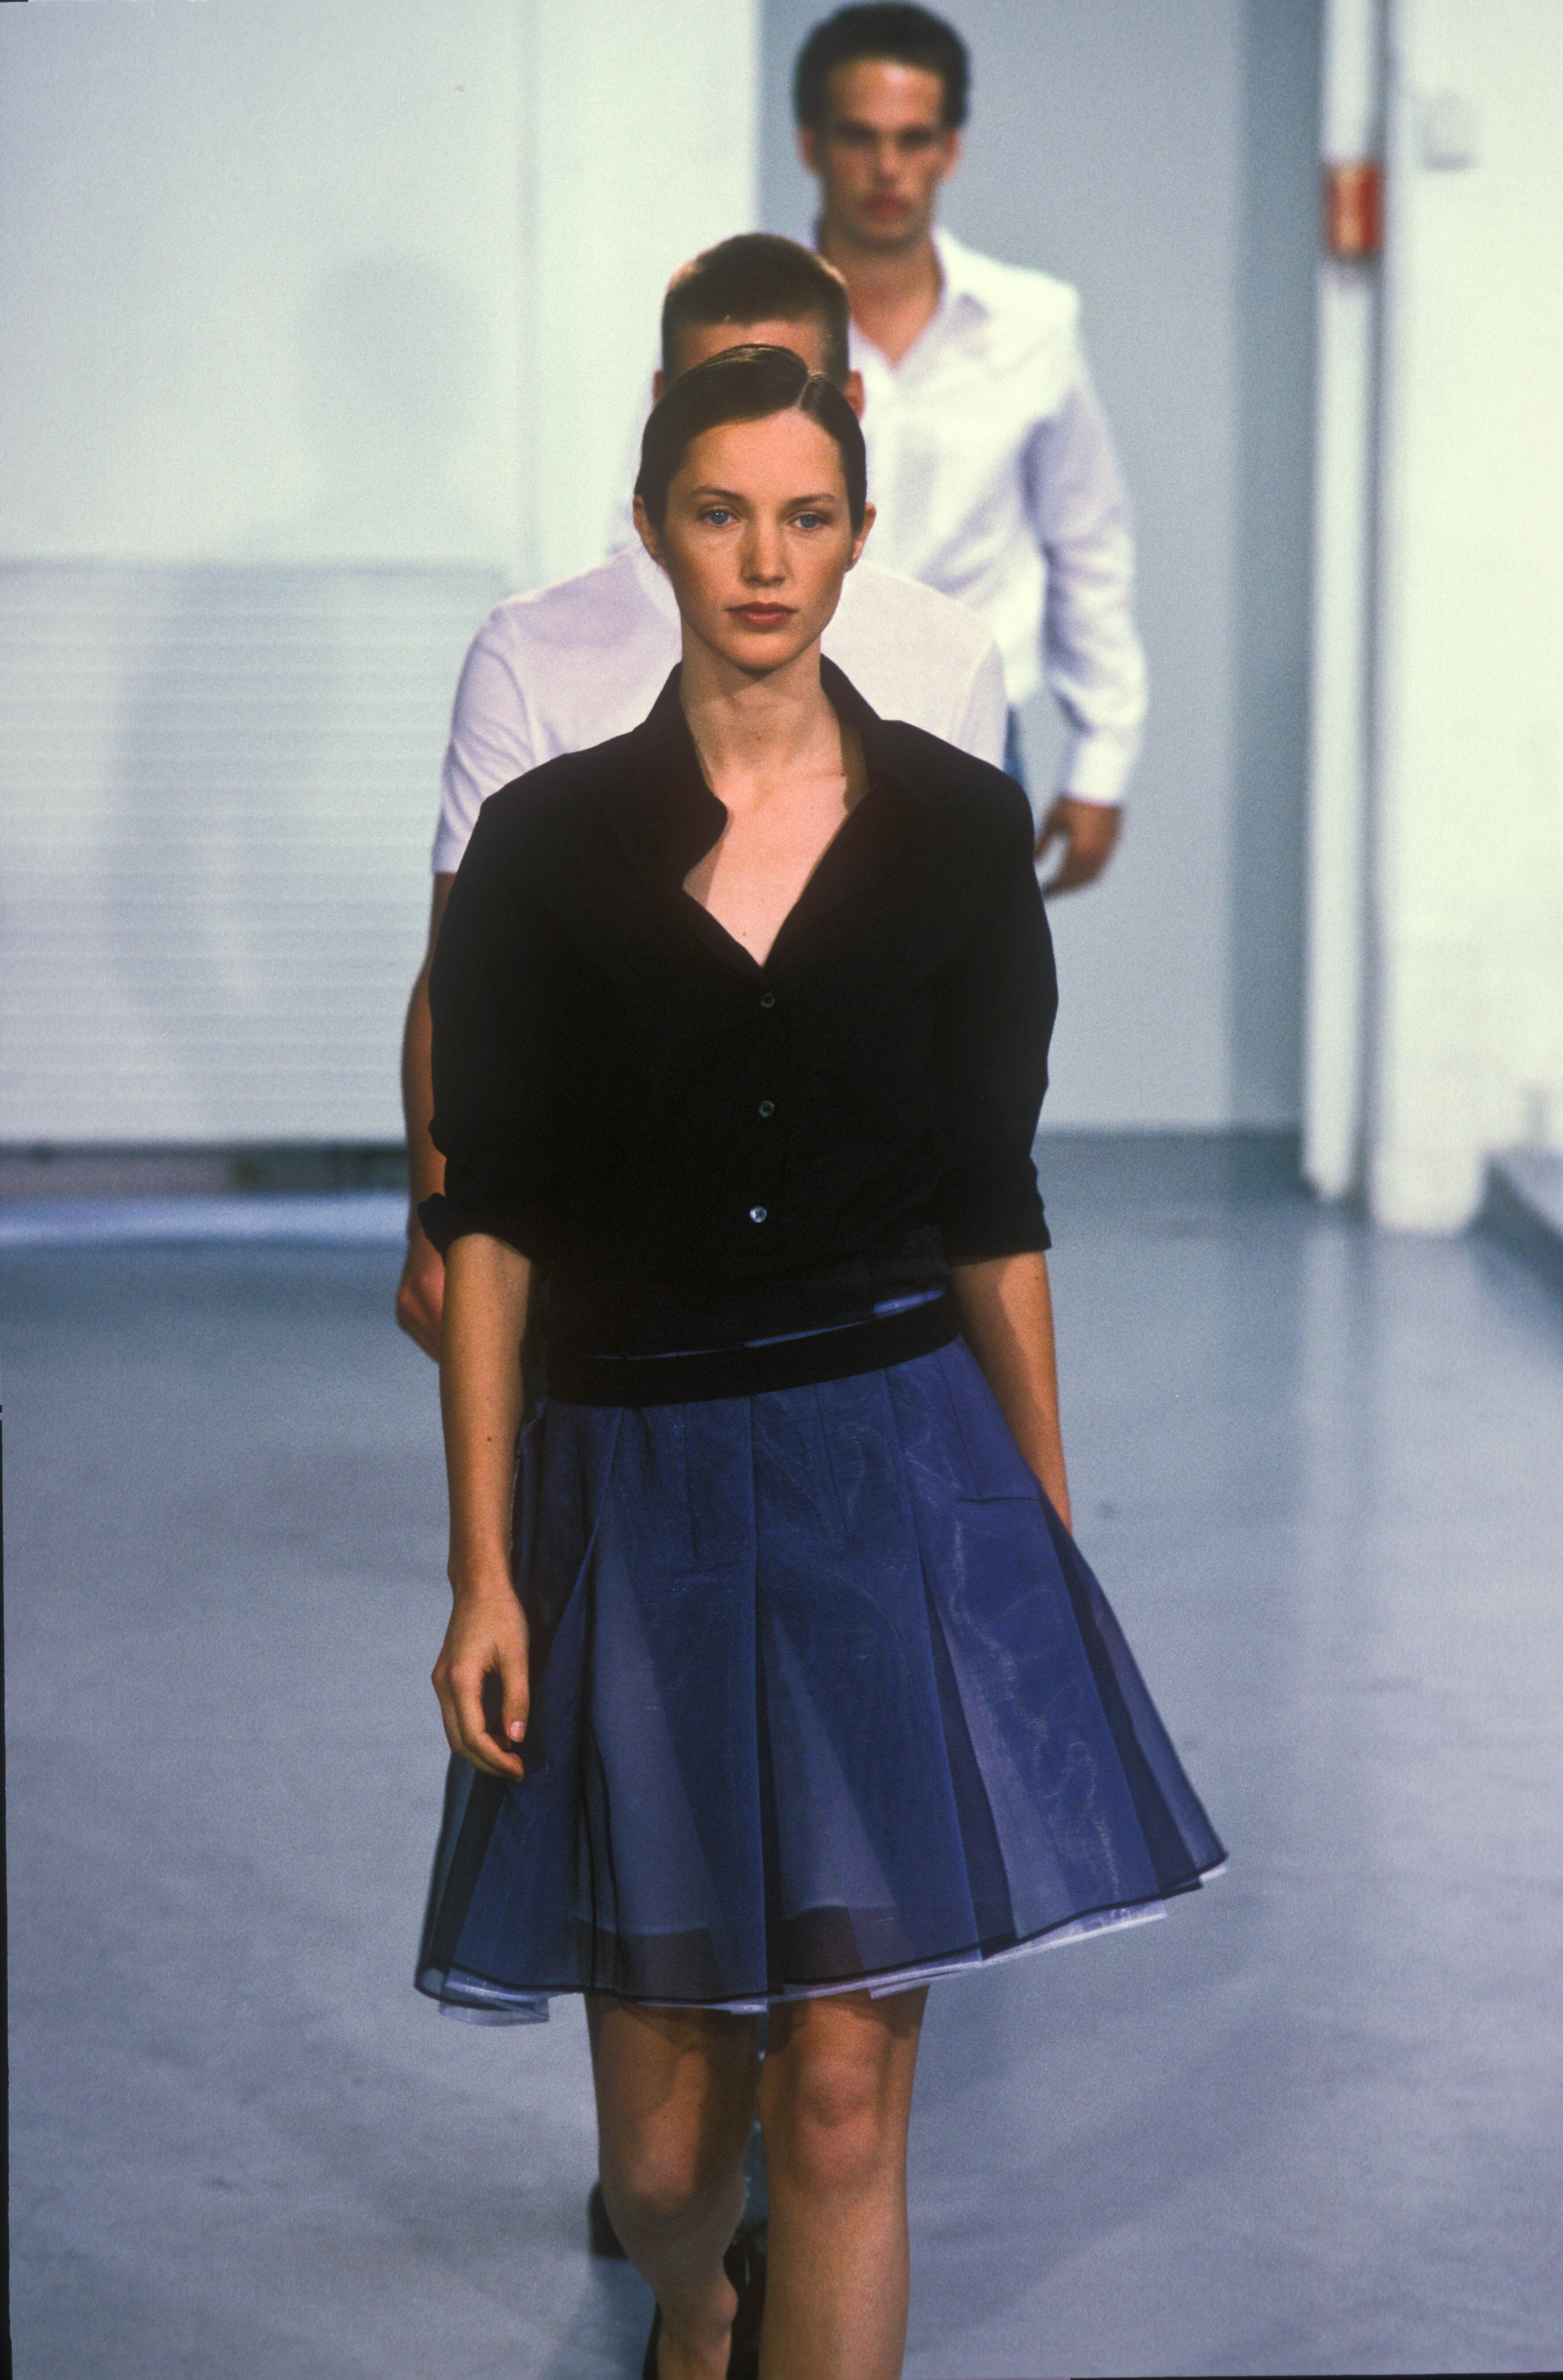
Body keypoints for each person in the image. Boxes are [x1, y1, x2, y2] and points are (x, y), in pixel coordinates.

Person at [415, 345, 1223, 2380]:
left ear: (859, 537)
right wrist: (485, 1570)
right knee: (667, 2154)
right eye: (720, 513)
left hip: (888, 1465)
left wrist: (1031, 1533)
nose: (763, 559)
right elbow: (492, 1220)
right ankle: (695, 2301)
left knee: (846, 2101)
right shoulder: (541, 850)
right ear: (653, 529)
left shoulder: (957, 832)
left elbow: (991, 1206)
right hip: (638, 1485)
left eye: (802, 516)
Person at [396, 234, 1008, 1362]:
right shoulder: (531, 652)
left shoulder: (948, 654)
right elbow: (461, 979)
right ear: (660, 408)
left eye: (785, 383)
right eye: (714, 390)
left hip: (865, 1272)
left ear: (851, 403)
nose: (755, 416)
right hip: (603, 1251)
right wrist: (438, 1217)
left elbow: (962, 1017)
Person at [794, 3, 1148, 893]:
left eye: (914, 139)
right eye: (859, 137)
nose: (888, 169)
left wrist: (1103, 760)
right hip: (775, 732)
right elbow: (652, 532)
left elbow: (1088, 539)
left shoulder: (1034, 326)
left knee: (970, 989)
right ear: (811, 145)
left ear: (950, 149)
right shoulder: (742, 321)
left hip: (973, 739)